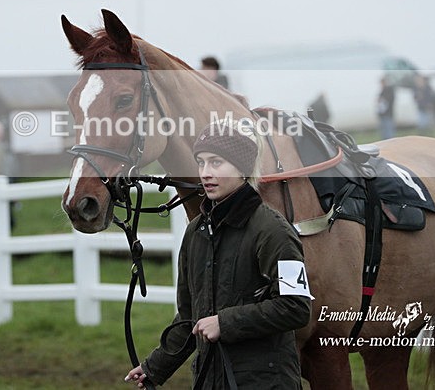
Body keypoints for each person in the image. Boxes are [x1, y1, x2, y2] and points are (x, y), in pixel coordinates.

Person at [125, 119, 311, 389]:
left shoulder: (273, 230)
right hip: (209, 379)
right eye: (201, 162)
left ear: (243, 168)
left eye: (216, 162)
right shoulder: (195, 233)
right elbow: (191, 315)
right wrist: (155, 367)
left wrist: (225, 323)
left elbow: (296, 307)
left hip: (265, 382)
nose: (206, 172)